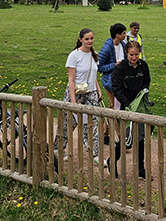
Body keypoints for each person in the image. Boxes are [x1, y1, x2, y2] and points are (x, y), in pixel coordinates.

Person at [55, 28, 102, 163]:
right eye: (87, 39)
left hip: (90, 93)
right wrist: (73, 101)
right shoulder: (74, 55)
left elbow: (94, 76)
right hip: (75, 92)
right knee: (69, 123)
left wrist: (98, 90)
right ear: (81, 39)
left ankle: (95, 153)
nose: (90, 41)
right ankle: (58, 147)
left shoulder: (95, 55)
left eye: (91, 38)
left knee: (92, 123)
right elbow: (71, 79)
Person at [111, 40, 151, 179]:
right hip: (125, 107)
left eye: (136, 55)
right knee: (127, 140)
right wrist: (127, 104)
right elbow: (116, 88)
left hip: (139, 107)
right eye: (131, 55)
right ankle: (112, 161)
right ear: (126, 54)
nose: (134, 58)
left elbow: (147, 80)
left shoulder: (143, 66)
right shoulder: (120, 68)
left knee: (140, 138)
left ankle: (140, 169)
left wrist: (144, 93)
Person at [98, 23, 127, 109]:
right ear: (117, 35)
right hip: (110, 82)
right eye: (124, 33)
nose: (125, 35)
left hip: (121, 81)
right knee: (112, 106)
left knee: (118, 106)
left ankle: (107, 123)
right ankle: (112, 123)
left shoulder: (123, 45)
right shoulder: (106, 49)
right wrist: (114, 65)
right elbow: (99, 67)